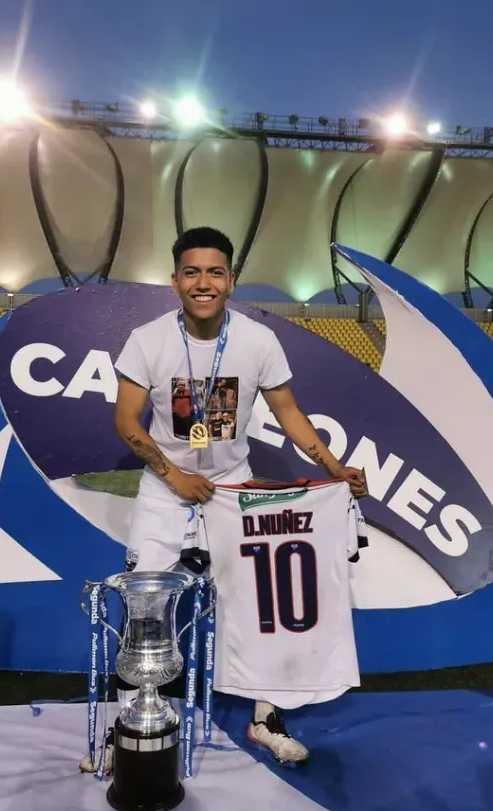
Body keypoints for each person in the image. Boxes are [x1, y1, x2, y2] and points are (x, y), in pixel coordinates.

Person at [113, 226, 366, 765]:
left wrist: (335, 467)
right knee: (146, 608)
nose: (203, 282)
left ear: (231, 280)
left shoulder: (257, 340)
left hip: (233, 496)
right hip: (165, 494)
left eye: (215, 271)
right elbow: (125, 422)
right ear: (175, 280)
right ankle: (131, 728)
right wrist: (174, 476)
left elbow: (289, 413)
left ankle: (265, 719)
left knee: (257, 608)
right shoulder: (147, 339)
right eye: (192, 271)